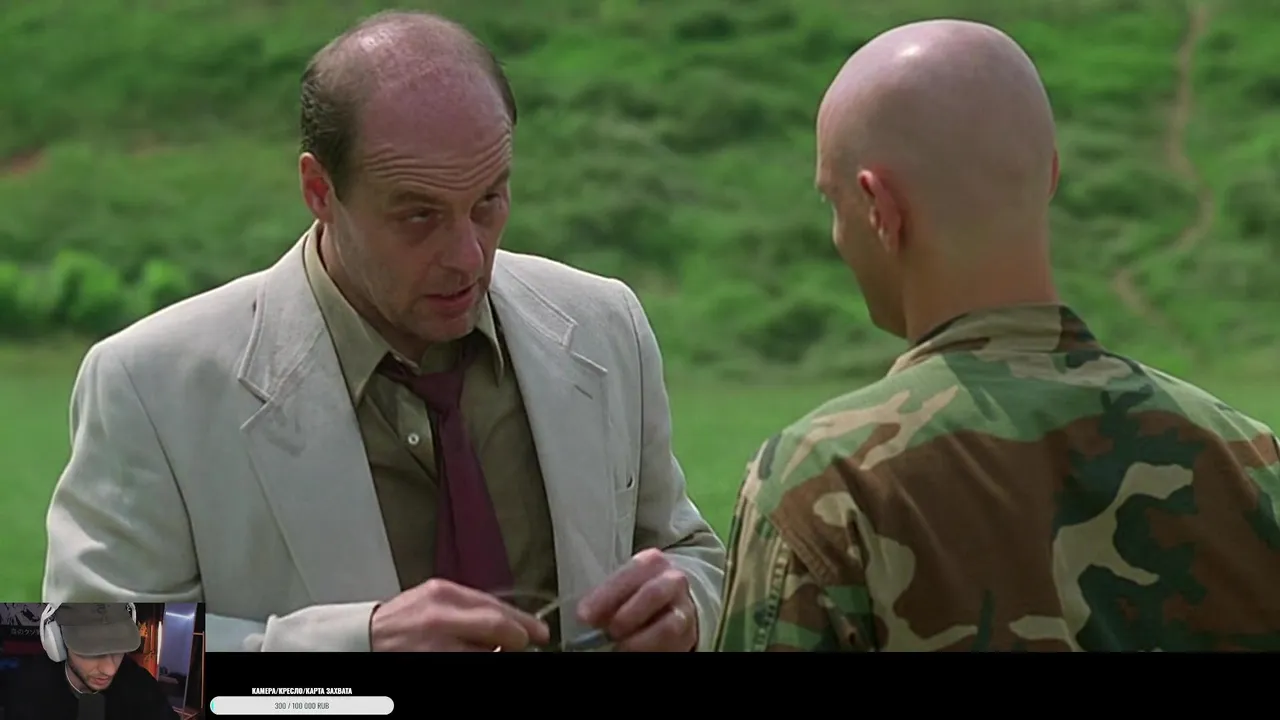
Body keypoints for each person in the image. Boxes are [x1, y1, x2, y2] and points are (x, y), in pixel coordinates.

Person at [42, 10, 724, 653]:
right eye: (418, 215)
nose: (468, 256)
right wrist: (350, 649)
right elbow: (84, 657)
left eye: (489, 199)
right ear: (320, 190)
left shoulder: (604, 325)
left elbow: (688, 552)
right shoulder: (151, 387)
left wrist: (687, 605)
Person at [713, 19, 1280, 652]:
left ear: (880, 210)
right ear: (1051, 175)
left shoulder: (823, 486)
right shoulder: (1249, 459)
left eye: (833, 203)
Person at [3, 604, 176, 720]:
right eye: (92, 651)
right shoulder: (27, 689)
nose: (110, 669)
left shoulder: (142, 687)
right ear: (59, 641)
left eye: (118, 649)